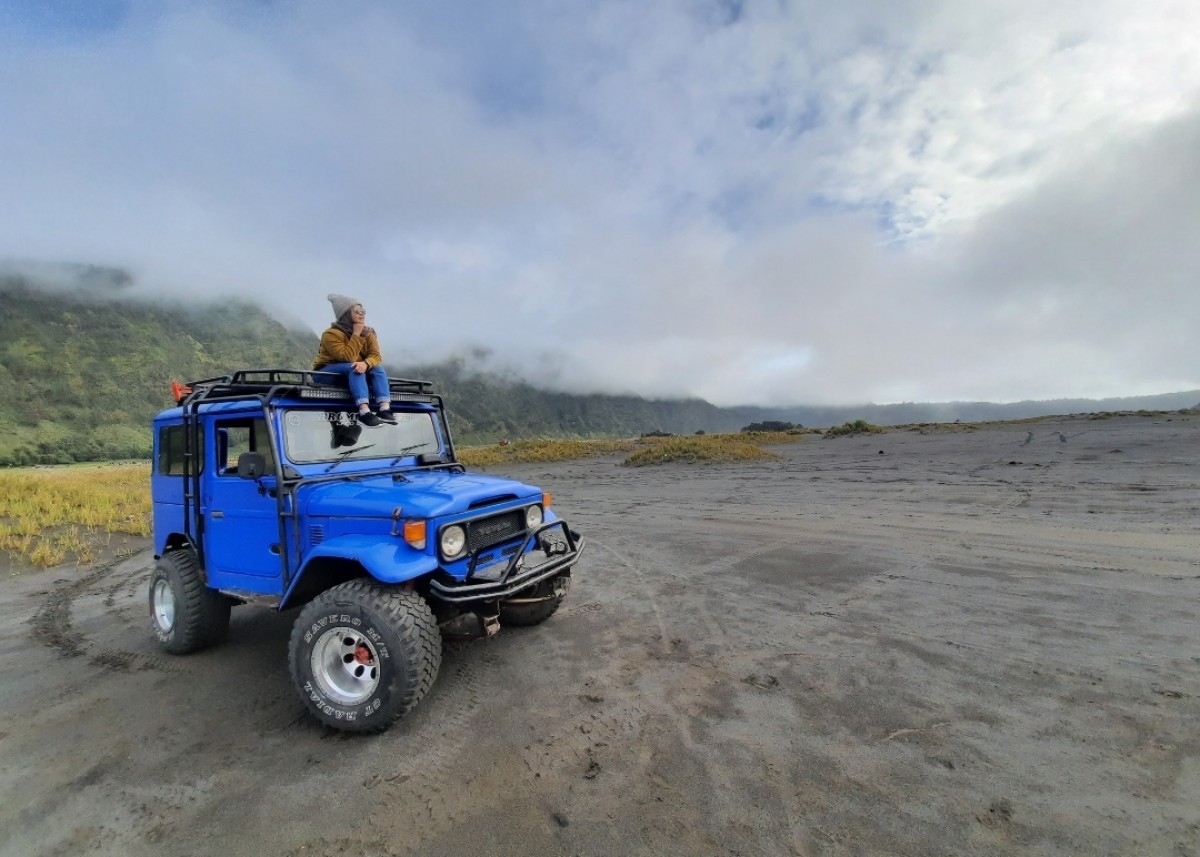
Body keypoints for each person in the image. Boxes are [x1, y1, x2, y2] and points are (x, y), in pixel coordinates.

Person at [313, 293, 395, 427]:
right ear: (345, 314)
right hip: (326, 373)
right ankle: (364, 411)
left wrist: (366, 363)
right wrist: (356, 334)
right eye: (356, 311)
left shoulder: (368, 333)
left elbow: (376, 356)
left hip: (355, 371)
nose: (361, 314)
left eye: (363, 311)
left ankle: (384, 408)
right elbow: (347, 357)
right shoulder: (330, 334)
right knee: (354, 367)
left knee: (377, 368)